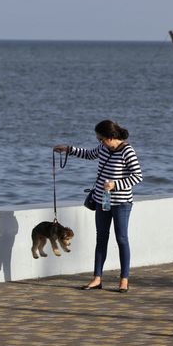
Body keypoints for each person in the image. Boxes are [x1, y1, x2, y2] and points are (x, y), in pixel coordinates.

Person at [54, 120, 143, 293]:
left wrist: (115, 184)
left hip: (121, 203)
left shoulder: (127, 151)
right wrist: (68, 149)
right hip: (102, 201)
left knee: (121, 239)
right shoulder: (103, 148)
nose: (99, 142)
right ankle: (97, 278)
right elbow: (89, 154)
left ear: (111, 137)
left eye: (101, 139)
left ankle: (124, 280)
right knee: (101, 238)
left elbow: (137, 176)